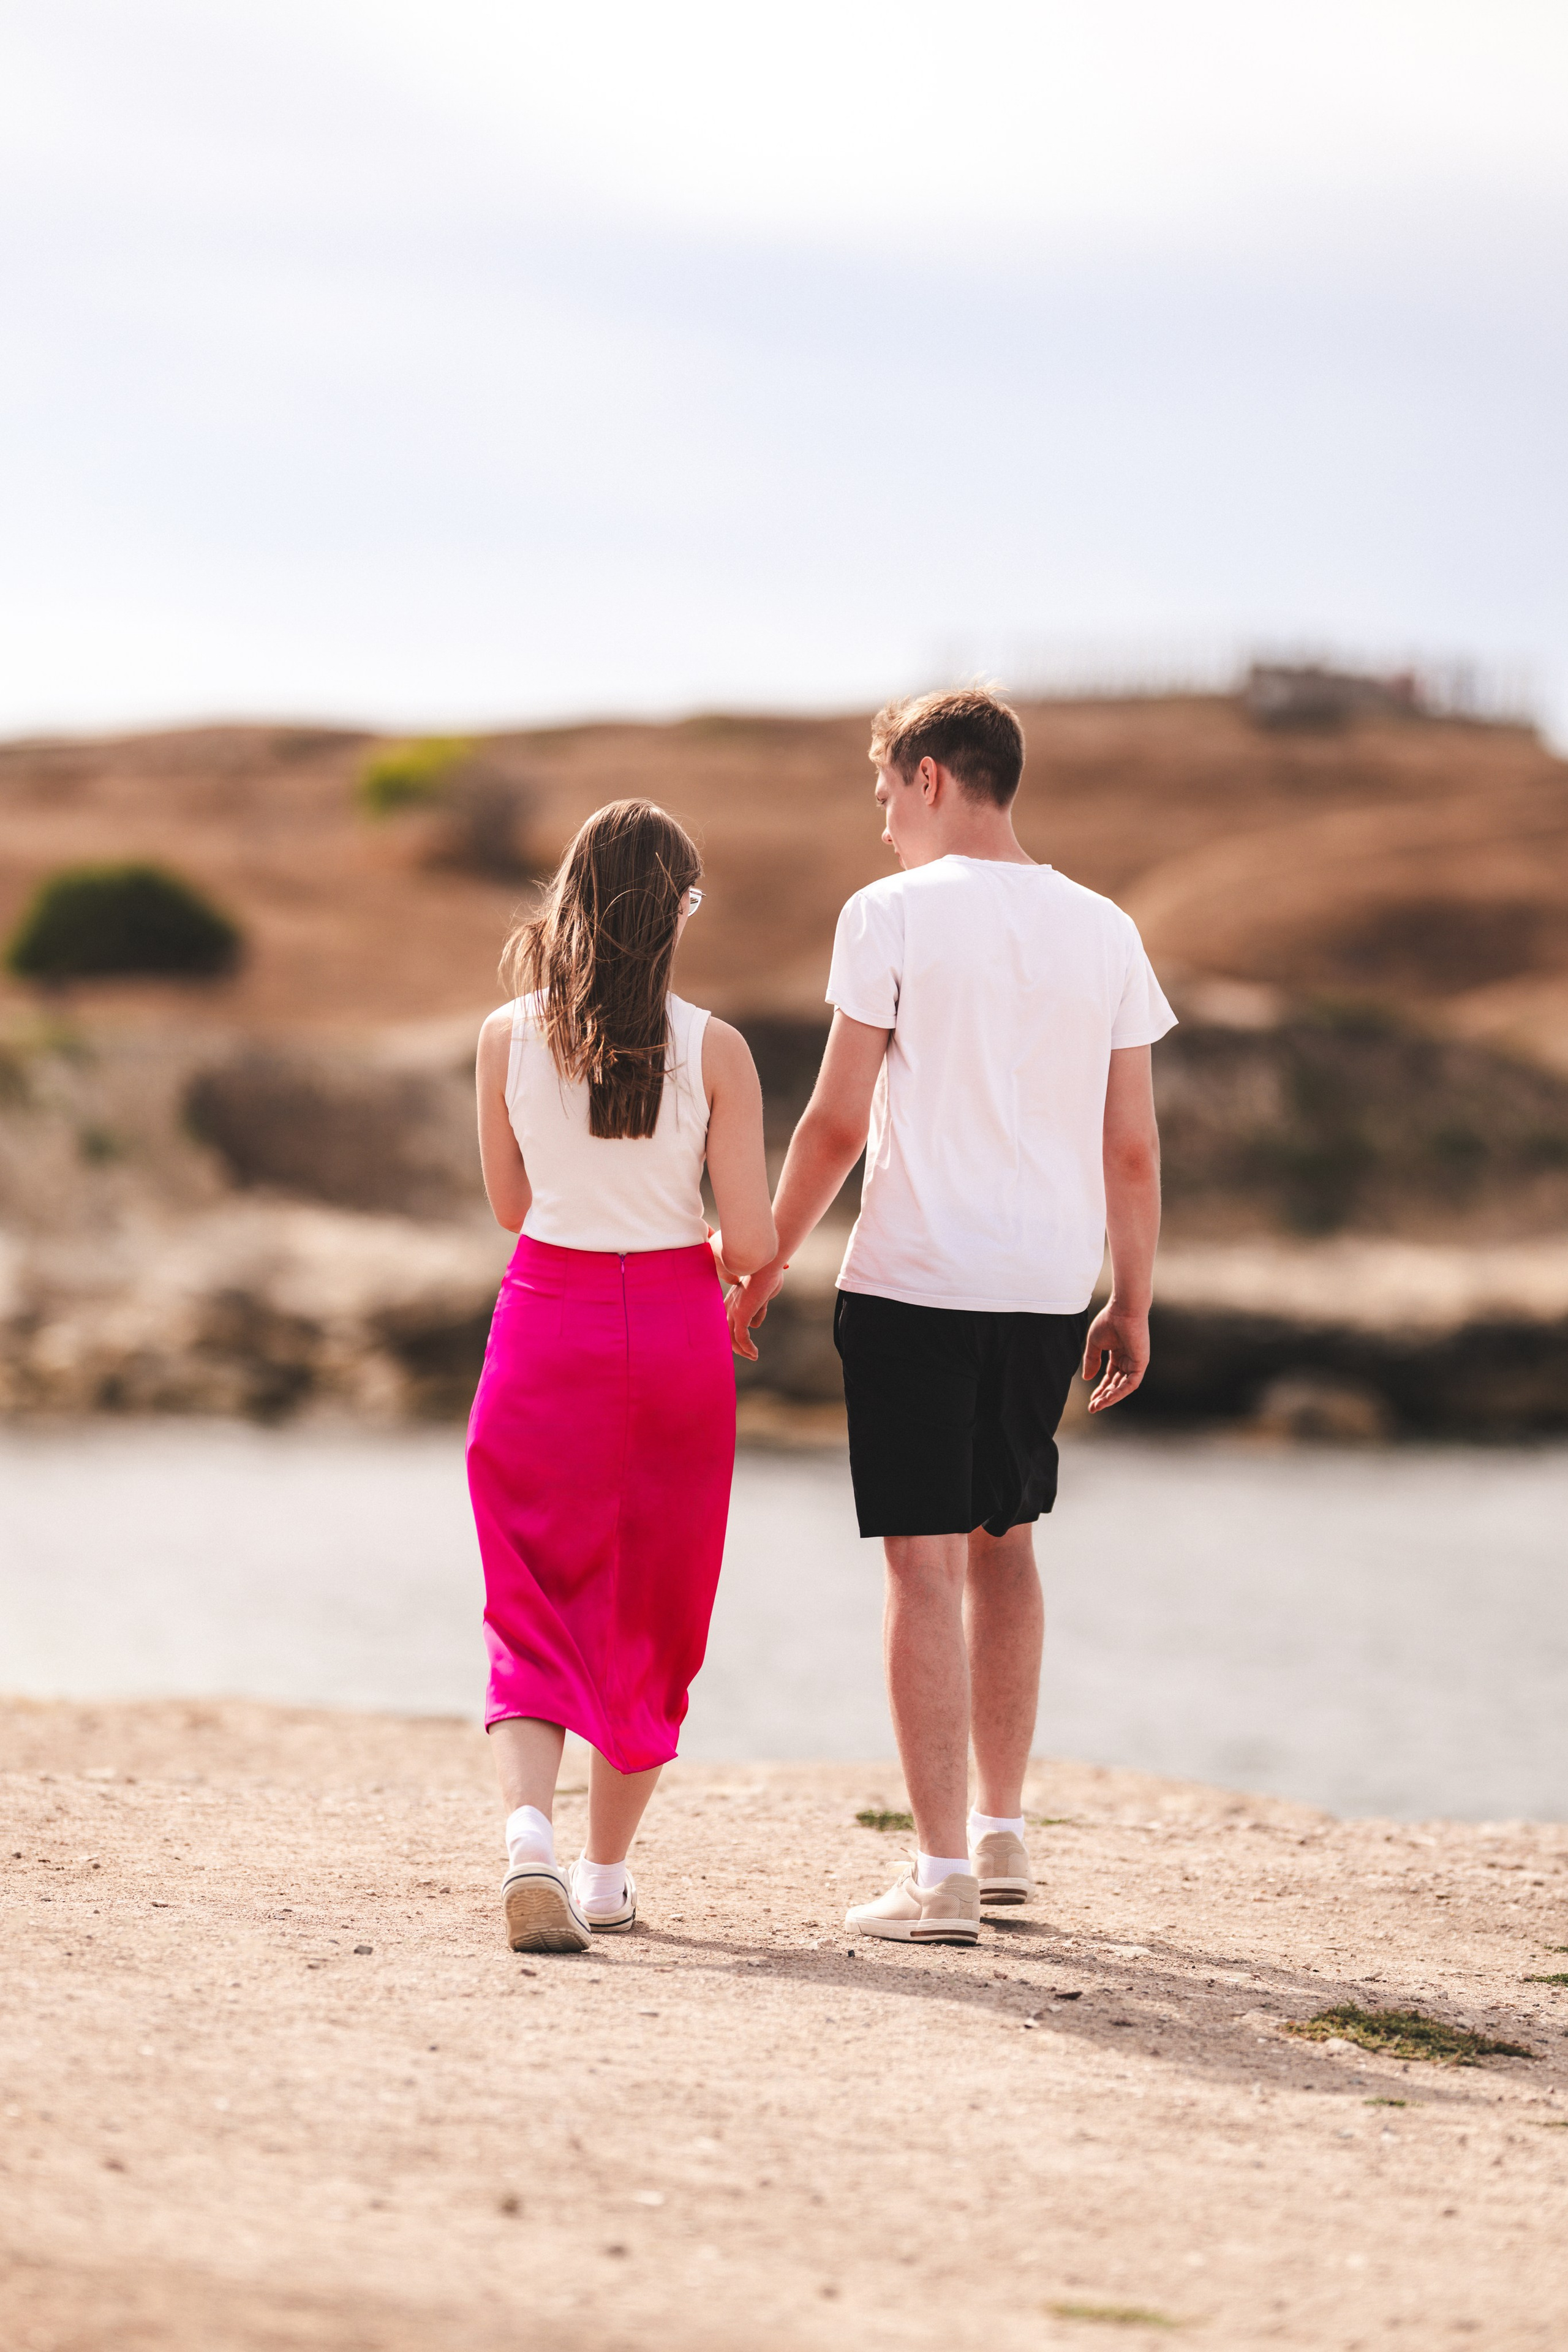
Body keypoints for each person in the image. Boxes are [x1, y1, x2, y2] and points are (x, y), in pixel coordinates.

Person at [728, 688, 1174, 1946]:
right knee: (1006, 1539)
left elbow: (832, 1121)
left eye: (882, 795)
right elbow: (1129, 1147)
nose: (878, 826)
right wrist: (1128, 1296)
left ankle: (936, 1880)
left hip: (918, 1277)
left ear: (929, 776)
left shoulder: (888, 917)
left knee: (919, 1561)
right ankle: (1001, 1836)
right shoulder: (1105, 929)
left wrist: (758, 1260)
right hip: (1045, 1284)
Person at [469, 799, 775, 1954]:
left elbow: (513, 1208)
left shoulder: (506, 1034)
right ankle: (604, 1877)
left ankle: (527, 1844)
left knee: (531, 1596)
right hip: (675, 1329)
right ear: (677, 912)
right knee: (654, 1604)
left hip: (544, 1324)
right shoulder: (719, 1049)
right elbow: (745, 1236)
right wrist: (744, 1269)